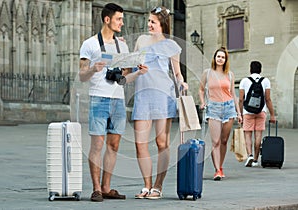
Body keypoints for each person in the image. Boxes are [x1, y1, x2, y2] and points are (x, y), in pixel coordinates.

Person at [79, 3, 148, 202]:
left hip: (118, 99)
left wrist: (137, 72)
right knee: (97, 145)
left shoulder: (122, 46)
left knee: (114, 145)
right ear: (107, 19)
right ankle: (96, 189)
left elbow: (123, 78)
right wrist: (94, 69)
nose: (122, 23)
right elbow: (82, 75)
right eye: (119, 19)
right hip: (98, 98)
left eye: (122, 19)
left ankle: (107, 187)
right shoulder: (90, 44)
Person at [132, 6, 188, 199]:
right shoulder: (141, 40)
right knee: (140, 143)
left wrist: (182, 83)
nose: (149, 24)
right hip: (143, 94)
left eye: (153, 22)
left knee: (161, 142)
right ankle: (146, 185)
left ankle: (158, 185)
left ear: (162, 24)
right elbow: (132, 64)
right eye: (148, 21)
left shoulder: (171, 45)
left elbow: (177, 73)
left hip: (164, 95)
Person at [199, 47, 242, 181]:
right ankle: (217, 170)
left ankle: (221, 166)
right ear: (214, 58)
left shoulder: (229, 74)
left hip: (229, 108)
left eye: (223, 57)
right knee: (215, 141)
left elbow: (233, 95)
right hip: (214, 108)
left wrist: (239, 113)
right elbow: (201, 89)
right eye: (218, 56)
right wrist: (202, 102)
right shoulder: (207, 73)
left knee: (224, 140)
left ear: (225, 60)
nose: (220, 59)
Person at [239, 61, 276, 167]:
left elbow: (241, 99)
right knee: (258, 135)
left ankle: (249, 155)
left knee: (247, 134)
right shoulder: (265, 81)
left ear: (250, 69)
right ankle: (255, 160)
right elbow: (268, 99)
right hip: (261, 111)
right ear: (260, 70)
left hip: (247, 111)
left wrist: (240, 114)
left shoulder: (244, 81)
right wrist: (272, 114)